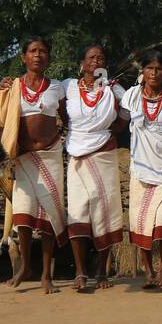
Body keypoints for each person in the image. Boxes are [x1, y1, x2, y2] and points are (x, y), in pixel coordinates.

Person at [0, 35, 67, 294]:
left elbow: (67, 119)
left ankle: (46, 275)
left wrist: (57, 139)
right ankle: (25, 267)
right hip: (22, 158)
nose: (38, 55)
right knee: (23, 216)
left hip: (49, 155)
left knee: (48, 218)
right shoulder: (12, 87)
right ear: (23, 57)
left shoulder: (56, 87)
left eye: (43, 51)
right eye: (32, 51)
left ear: (48, 57)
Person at [63, 44, 127, 293]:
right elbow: (54, 104)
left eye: (101, 57)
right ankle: (80, 272)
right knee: (78, 211)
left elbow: (132, 108)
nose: (96, 60)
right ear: (82, 62)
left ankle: (101, 271)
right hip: (77, 155)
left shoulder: (113, 88)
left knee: (105, 210)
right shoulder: (67, 86)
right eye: (91, 56)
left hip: (104, 154)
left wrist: (116, 129)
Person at [121, 52, 162, 289]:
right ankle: (148, 271)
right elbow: (118, 119)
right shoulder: (131, 96)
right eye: (149, 68)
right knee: (139, 220)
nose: (154, 73)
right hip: (140, 167)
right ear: (143, 72)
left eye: (159, 68)